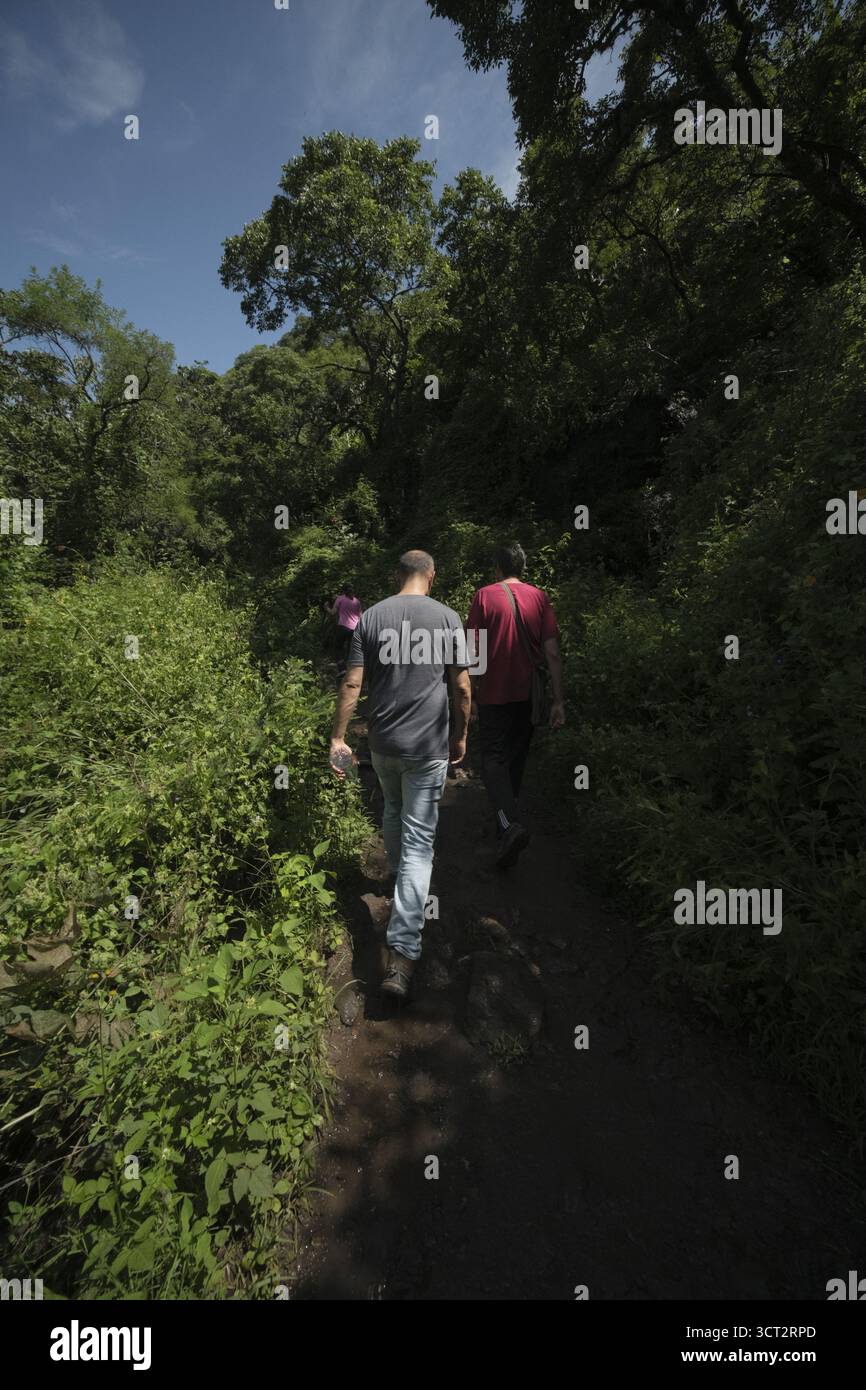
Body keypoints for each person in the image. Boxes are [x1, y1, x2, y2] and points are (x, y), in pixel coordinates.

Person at [330, 550, 472, 1000]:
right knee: (419, 844)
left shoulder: (371, 617)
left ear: (398, 576)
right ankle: (404, 953)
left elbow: (352, 682)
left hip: (384, 744)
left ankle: (397, 881)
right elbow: (462, 685)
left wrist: (339, 737)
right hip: (428, 746)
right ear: (431, 575)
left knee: (391, 808)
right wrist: (461, 734)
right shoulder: (448, 618)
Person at [466, 541, 565, 868]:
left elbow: (474, 649)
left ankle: (509, 825)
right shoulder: (540, 597)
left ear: (497, 568)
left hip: (494, 692)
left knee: (492, 758)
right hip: (529, 694)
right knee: (516, 758)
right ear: (522, 567)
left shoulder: (484, 596)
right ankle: (507, 824)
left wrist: (473, 693)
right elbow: (551, 651)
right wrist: (558, 700)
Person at [327, 585, 363, 671]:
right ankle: (350, 667)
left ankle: (341, 667)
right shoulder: (357, 601)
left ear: (342, 591)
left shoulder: (340, 599)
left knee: (338, 647)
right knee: (351, 648)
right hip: (355, 628)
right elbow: (361, 617)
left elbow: (333, 612)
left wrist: (326, 607)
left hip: (343, 626)